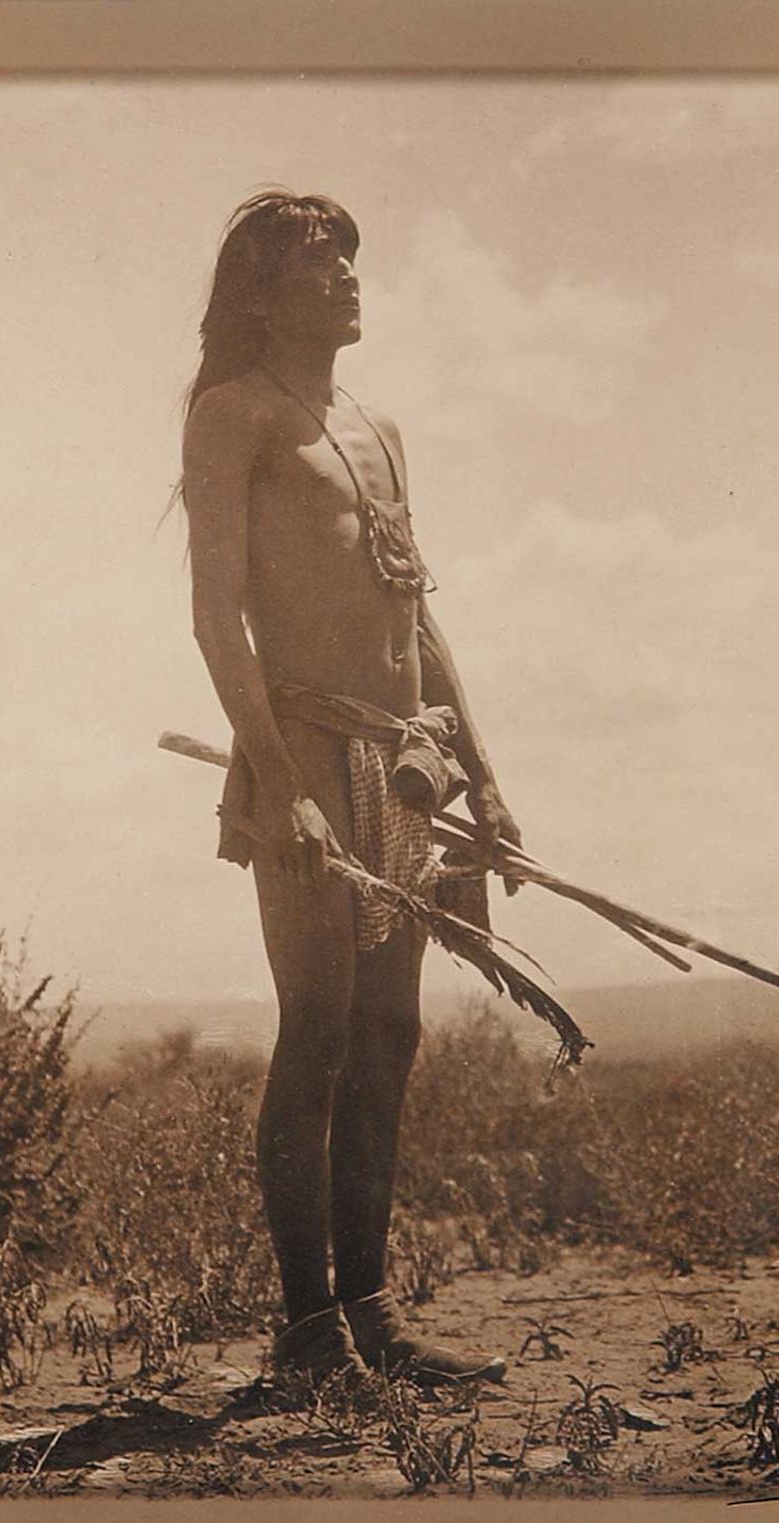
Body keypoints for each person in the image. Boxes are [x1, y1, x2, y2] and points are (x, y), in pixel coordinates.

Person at [182, 190, 521, 1385]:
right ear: (260, 294)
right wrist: (288, 789)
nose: (346, 281)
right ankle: (307, 1333)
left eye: (349, 262)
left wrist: (482, 776)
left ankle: (370, 1313)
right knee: (318, 1030)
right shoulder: (234, 420)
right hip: (306, 754)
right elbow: (217, 618)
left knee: (390, 1031)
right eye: (318, 265)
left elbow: (416, 614)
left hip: (406, 769)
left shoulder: (378, 428)